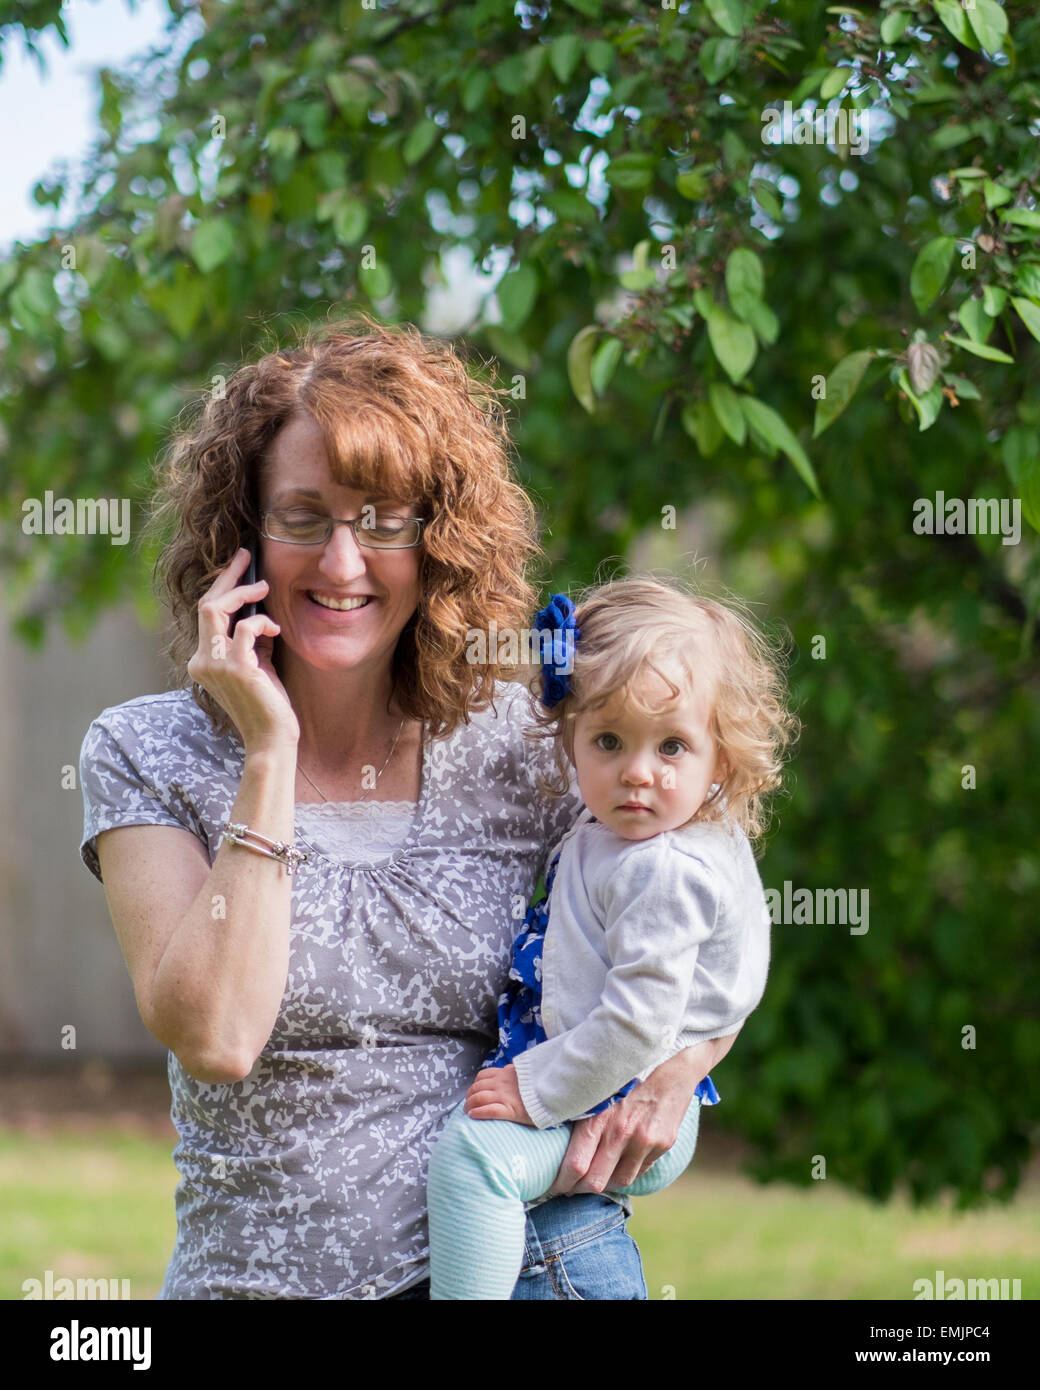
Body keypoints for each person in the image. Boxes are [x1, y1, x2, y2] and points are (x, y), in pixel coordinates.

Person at [77, 313, 731, 1300]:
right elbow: (215, 1035)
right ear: (241, 536)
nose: (342, 564)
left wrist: (680, 1065)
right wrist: (271, 747)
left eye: (383, 520)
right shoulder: (146, 750)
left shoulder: (529, 741)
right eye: (303, 517)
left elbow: (713, 890)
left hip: (525, 1270)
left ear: (438, 543)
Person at [426, 577, 798, 1299]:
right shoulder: (657, 834)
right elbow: (743, 960)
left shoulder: (662, 867)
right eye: (608, 740)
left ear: (720, 758)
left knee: (475, 1160)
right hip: (616, 1081)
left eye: (672, 747)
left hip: (628, 1097)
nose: (636, 772)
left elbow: (638, 1022)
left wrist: (536, 1091)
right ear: (570, 740)